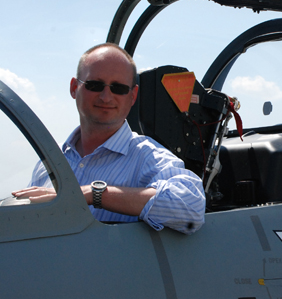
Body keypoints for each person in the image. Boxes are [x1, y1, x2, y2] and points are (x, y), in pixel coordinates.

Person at [12, 43, 205, 234]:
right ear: (73, 88)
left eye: (119, 88)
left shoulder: (147, 157)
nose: (106, 97)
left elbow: (191, 209)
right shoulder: (51, 160)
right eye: (94, 85)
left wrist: (95, 194)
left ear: (133, 96)